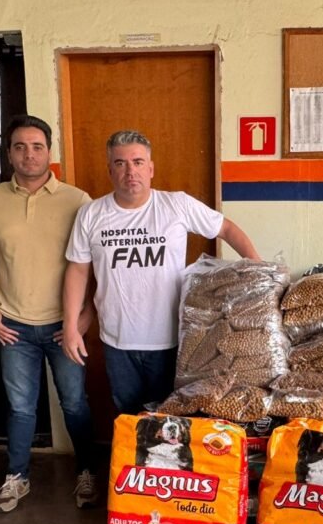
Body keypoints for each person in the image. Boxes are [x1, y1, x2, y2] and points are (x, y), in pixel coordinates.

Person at [61, 130, 260, 413]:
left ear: (151, 168)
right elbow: (78, 270)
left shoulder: (175, 204)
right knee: (128, 416)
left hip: (171, 339)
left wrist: (259, 271)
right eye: (120, 163)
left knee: (170, 421)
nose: (130, 170)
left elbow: (225, 228)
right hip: (117, 341)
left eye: (138, 162)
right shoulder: (91, 214)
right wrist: (70, 326)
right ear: (110, 170)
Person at [0, 114, 99, 512]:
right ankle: (17, 476)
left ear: (49, 152)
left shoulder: (77, 201)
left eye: (37, 146)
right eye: (20, 146)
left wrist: (84, 320)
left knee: (75, 403)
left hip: (65, 328)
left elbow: (95, 266)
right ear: (8, 152)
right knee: (21, 407)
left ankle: (88, 472)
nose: (29, 154)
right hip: (13, 326)